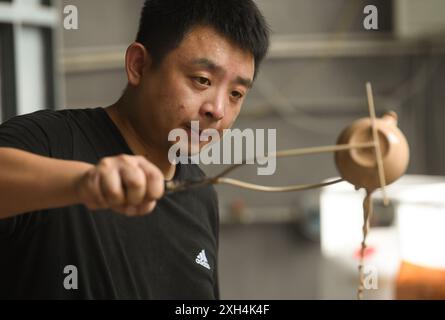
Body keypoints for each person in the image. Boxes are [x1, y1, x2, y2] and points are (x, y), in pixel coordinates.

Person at [0, 0, 269, 299]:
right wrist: (84, 182)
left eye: (236, 94)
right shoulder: (49, 142)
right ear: (138, 65)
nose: (218, 110)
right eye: (202, 80)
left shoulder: (200, 194)